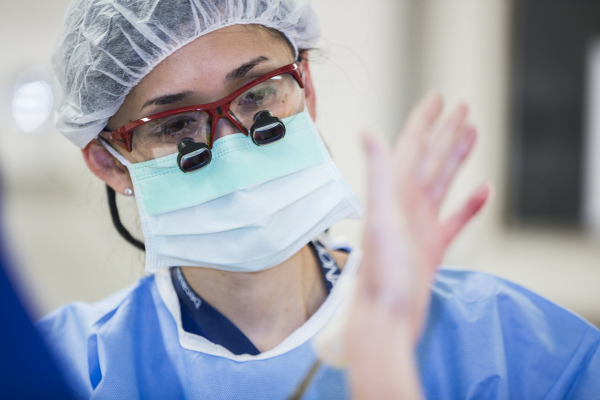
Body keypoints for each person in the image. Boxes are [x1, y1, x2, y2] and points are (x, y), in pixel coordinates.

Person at [37, 0, 600, 398]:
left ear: (305, 86)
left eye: (257, 93)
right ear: (111, 161)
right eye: (177, 123)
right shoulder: (60, 369)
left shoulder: (501, 344)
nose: (232, 147)